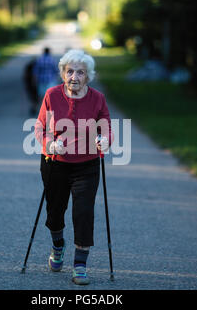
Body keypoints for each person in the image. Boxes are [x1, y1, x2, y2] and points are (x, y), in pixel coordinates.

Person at [35, 49, 113, 285]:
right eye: (70, 71)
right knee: (55, 212)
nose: (74, 77)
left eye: (80, 72)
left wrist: (105, 140)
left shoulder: (97, 99)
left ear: (88, 76)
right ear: (62, 74)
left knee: (83, 213)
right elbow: (40, 127)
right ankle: (58, 245)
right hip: (55, 164)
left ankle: (80, 264)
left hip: (87, 165)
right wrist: (49, 144)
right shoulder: (51, 95)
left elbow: (106, 126)